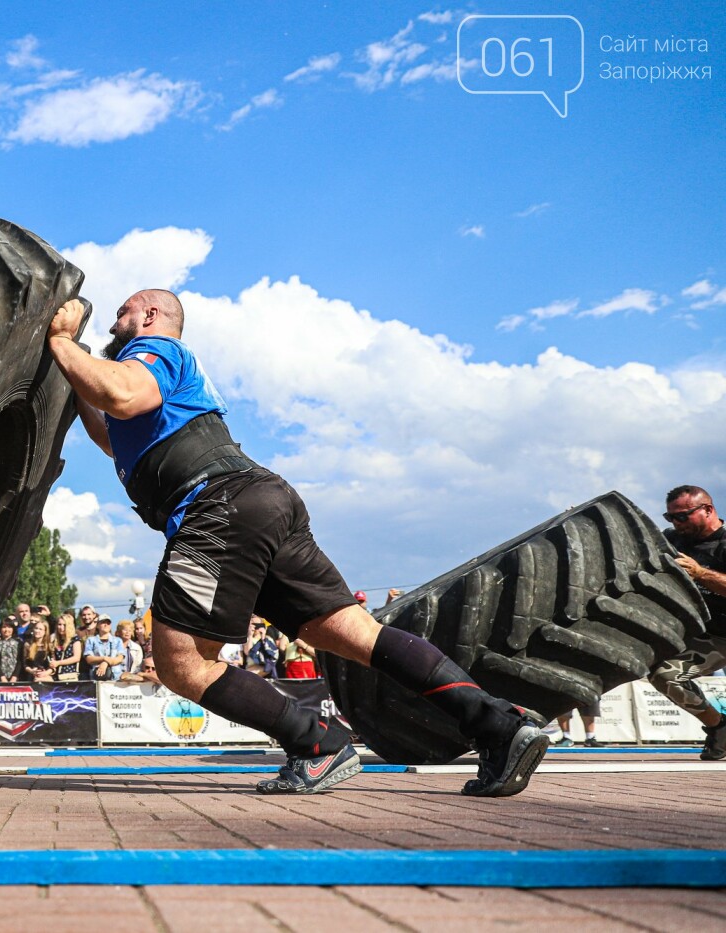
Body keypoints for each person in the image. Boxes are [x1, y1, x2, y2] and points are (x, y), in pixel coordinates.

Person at [47, 290, 546, 796]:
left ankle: (317, 744)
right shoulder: (151, 378)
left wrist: (65, 341)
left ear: (150, 316)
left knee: (182, 663)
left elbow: (122, 396)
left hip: (217, 506)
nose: (114, 324)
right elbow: (112, 429)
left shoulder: (157, 352)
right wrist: (69, 369)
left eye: (122, 314)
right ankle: (500, 727)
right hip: (257, 501)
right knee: (354, 634)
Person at [648, 485, 726, 760]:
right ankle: (719, 726)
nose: (676, 523)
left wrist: (701, 573)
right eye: (670, 518)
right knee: (664, 676)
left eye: (683, 516)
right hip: (707, 636)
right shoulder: (673, 540)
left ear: (708, 509)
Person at [83, 617, 125, 681]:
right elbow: (89, 659)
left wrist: (105, 663)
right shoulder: (91, 640)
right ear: (97, 625)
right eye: (103, 622)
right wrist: (104, 658)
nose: (106, 625)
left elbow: (120, 659)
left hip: (115, 679)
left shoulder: (118, 640)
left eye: (108, 623)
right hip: (96, 678)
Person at [47, 614, 83, 681]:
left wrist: (58, 663)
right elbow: (53, 658)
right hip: (55, 674)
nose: (61, 627)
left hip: (69, 675)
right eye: (59, 624)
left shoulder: (75, 639)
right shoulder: (55, 640)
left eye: (64, 625)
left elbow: (76, 658)